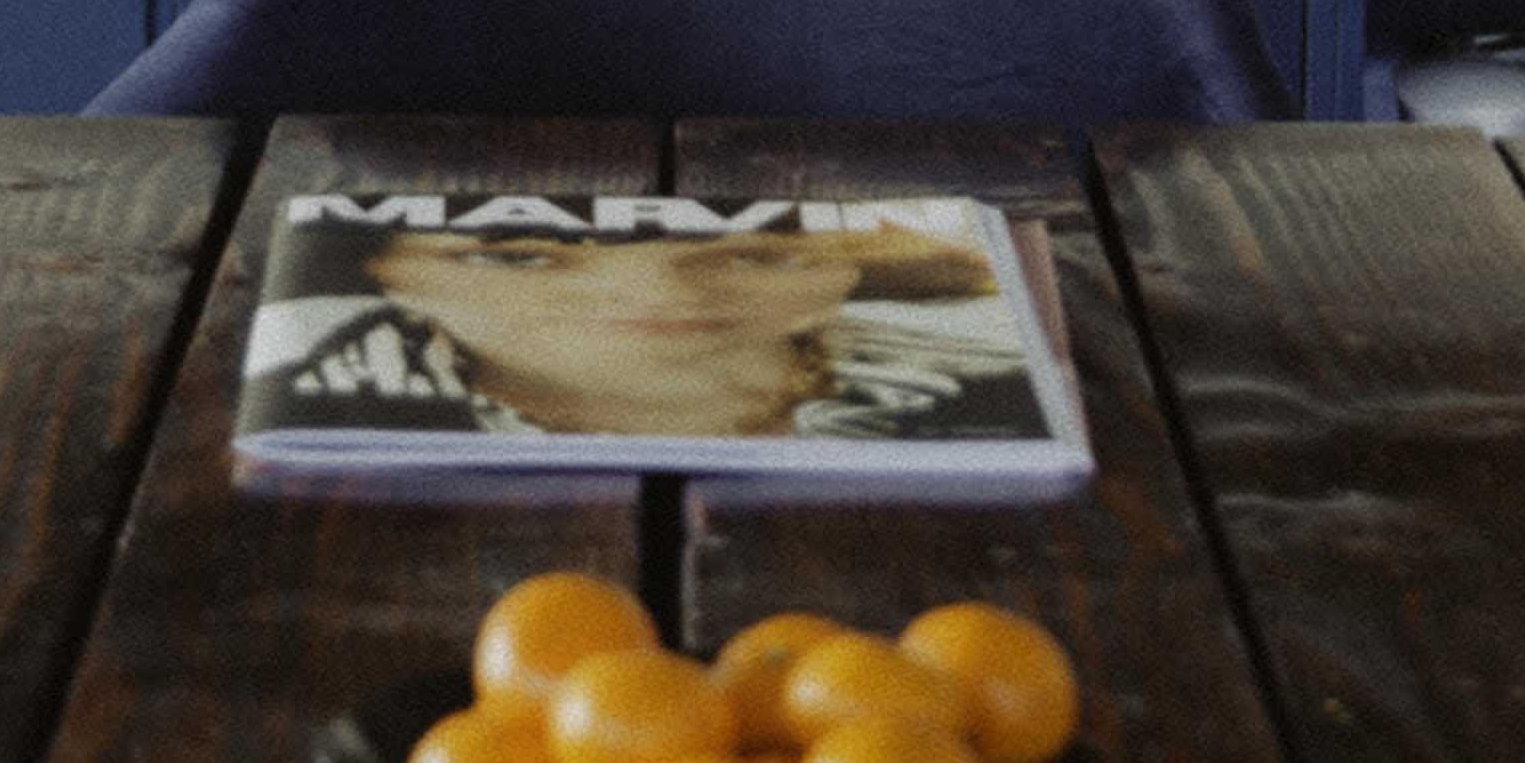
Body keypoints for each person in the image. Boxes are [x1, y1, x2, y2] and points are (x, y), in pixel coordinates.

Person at [261, 213, 1036, 448]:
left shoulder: (1004, 390)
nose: (654, 286)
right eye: (523, 258)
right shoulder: (300, 411)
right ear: (396, 274)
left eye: (757, 256)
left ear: (837, 276)